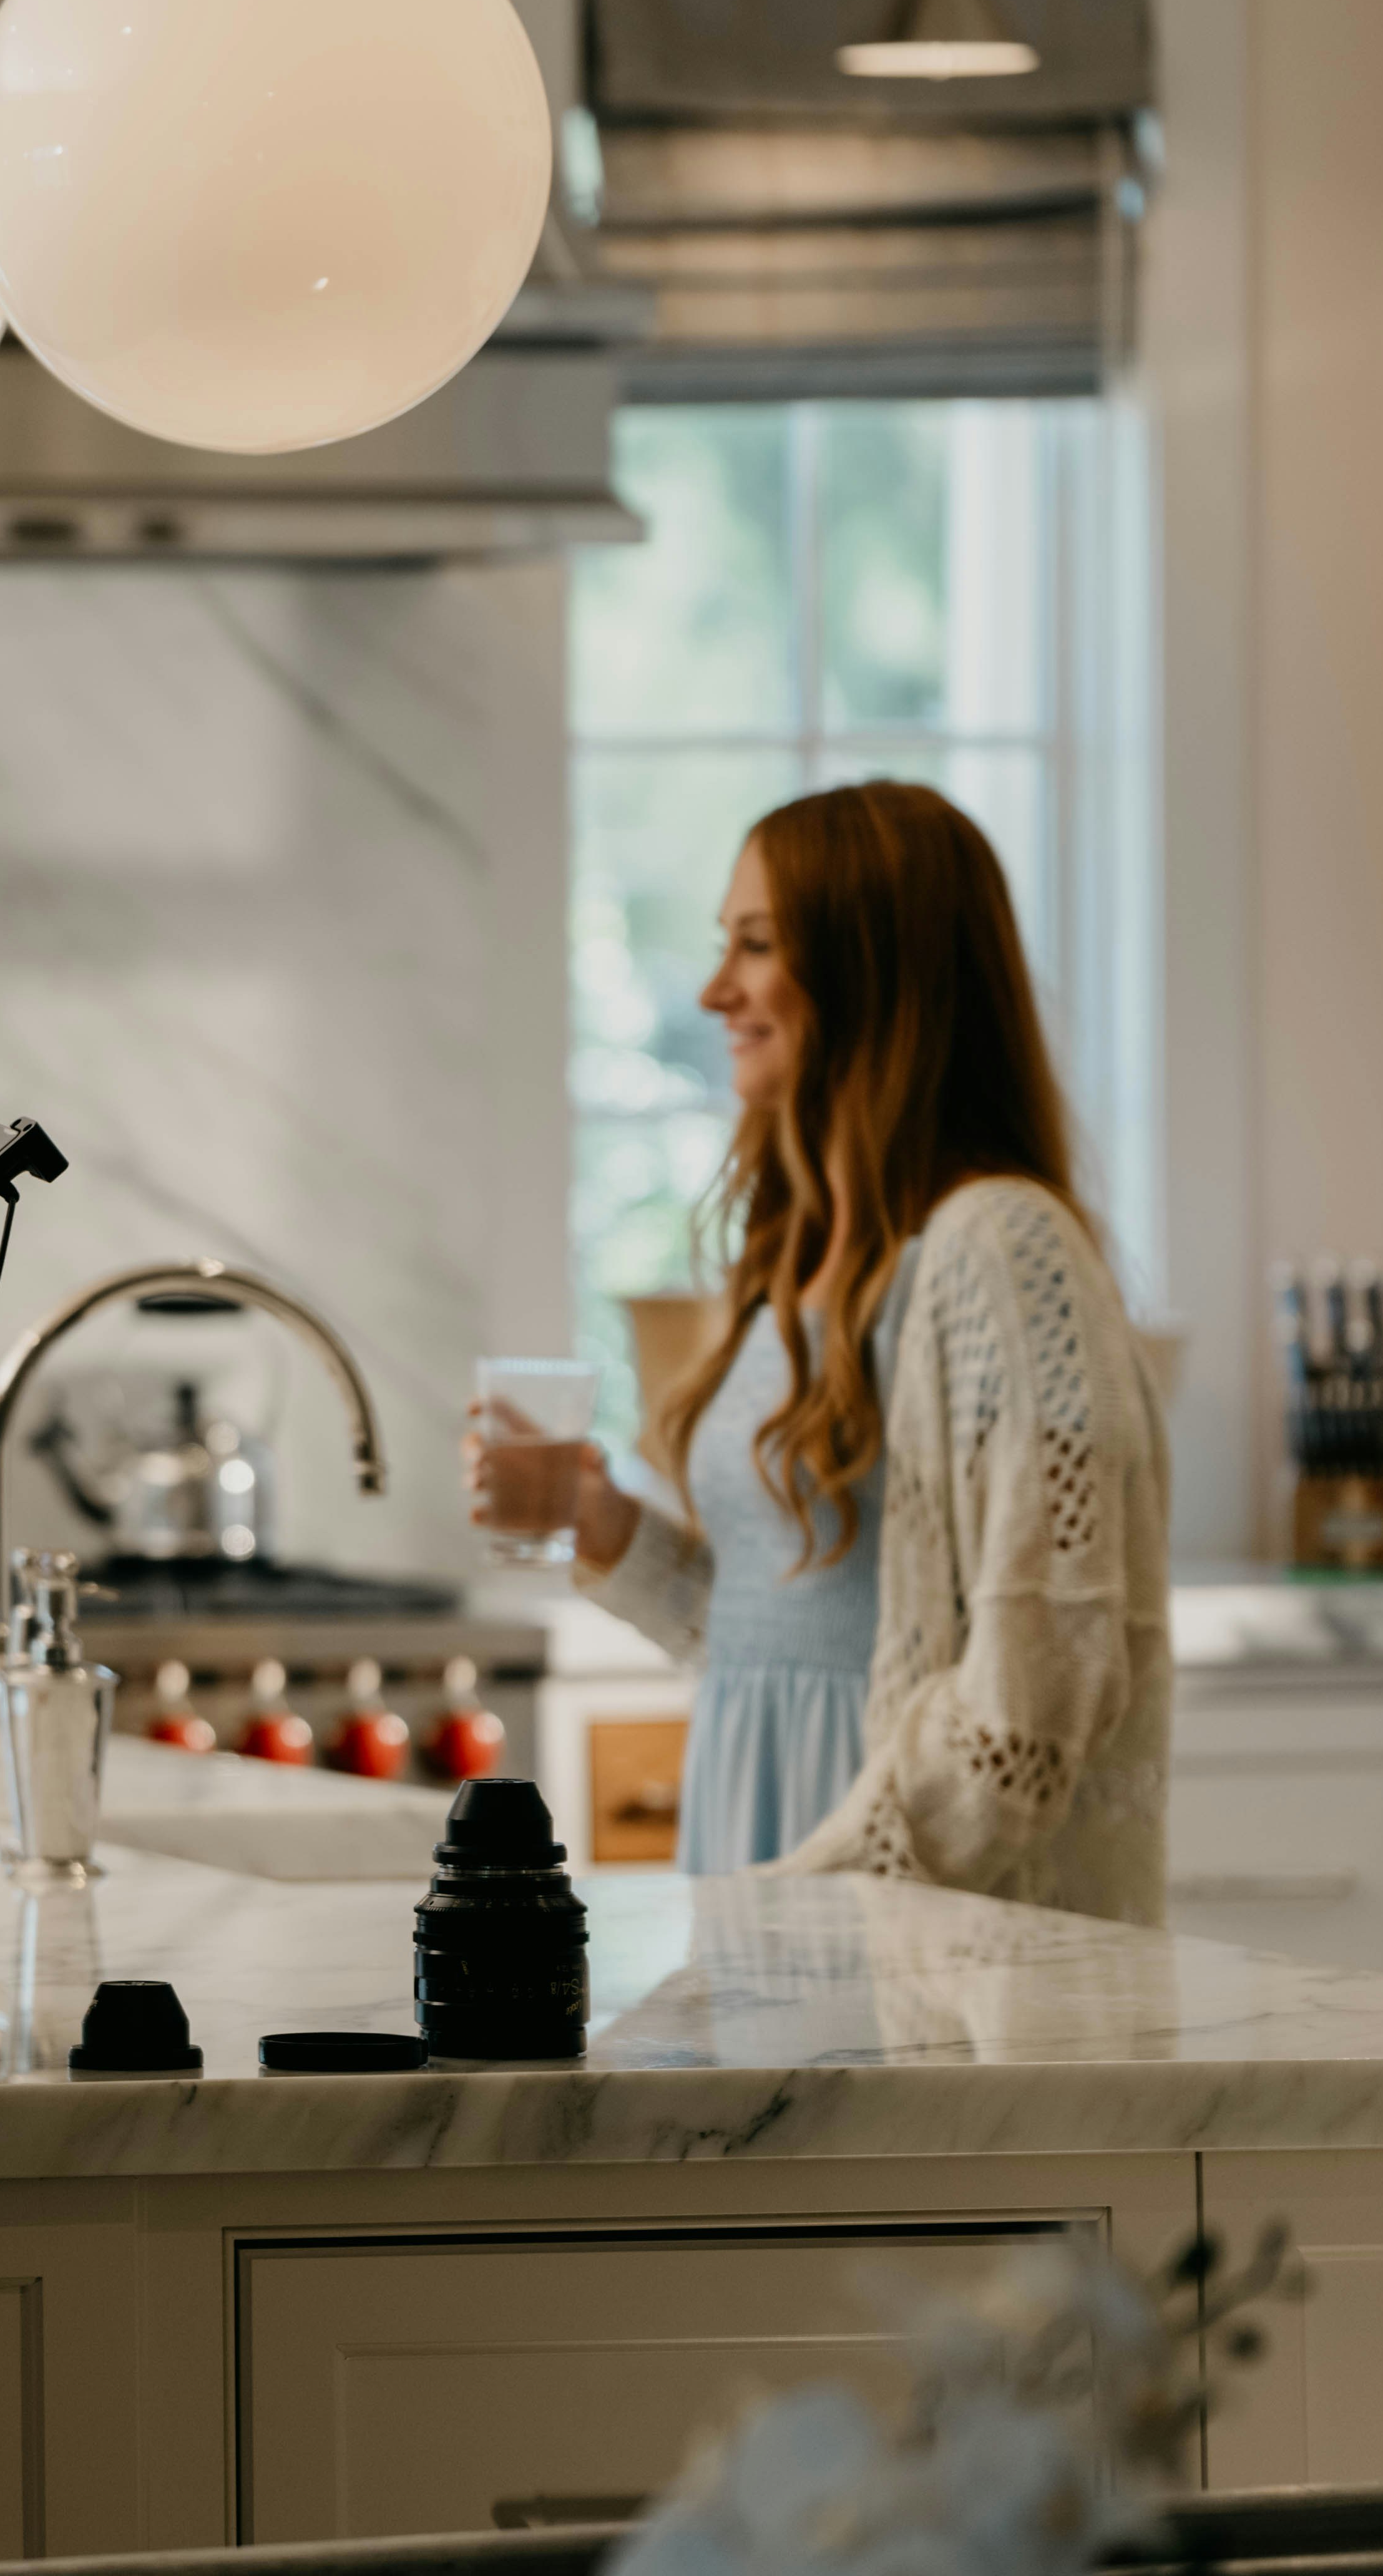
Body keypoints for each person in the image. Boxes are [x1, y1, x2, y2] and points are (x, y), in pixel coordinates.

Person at [466, 780, 1170, 1920]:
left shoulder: (1003, 1251)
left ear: (872, 973)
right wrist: (601, 1525)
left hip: (917, 1920)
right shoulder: (795, 1259)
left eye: (756, 945)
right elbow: (773, 1641)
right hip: (777, 1870)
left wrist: (805, 1910)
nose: (714, 989)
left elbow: (1032, 1711)